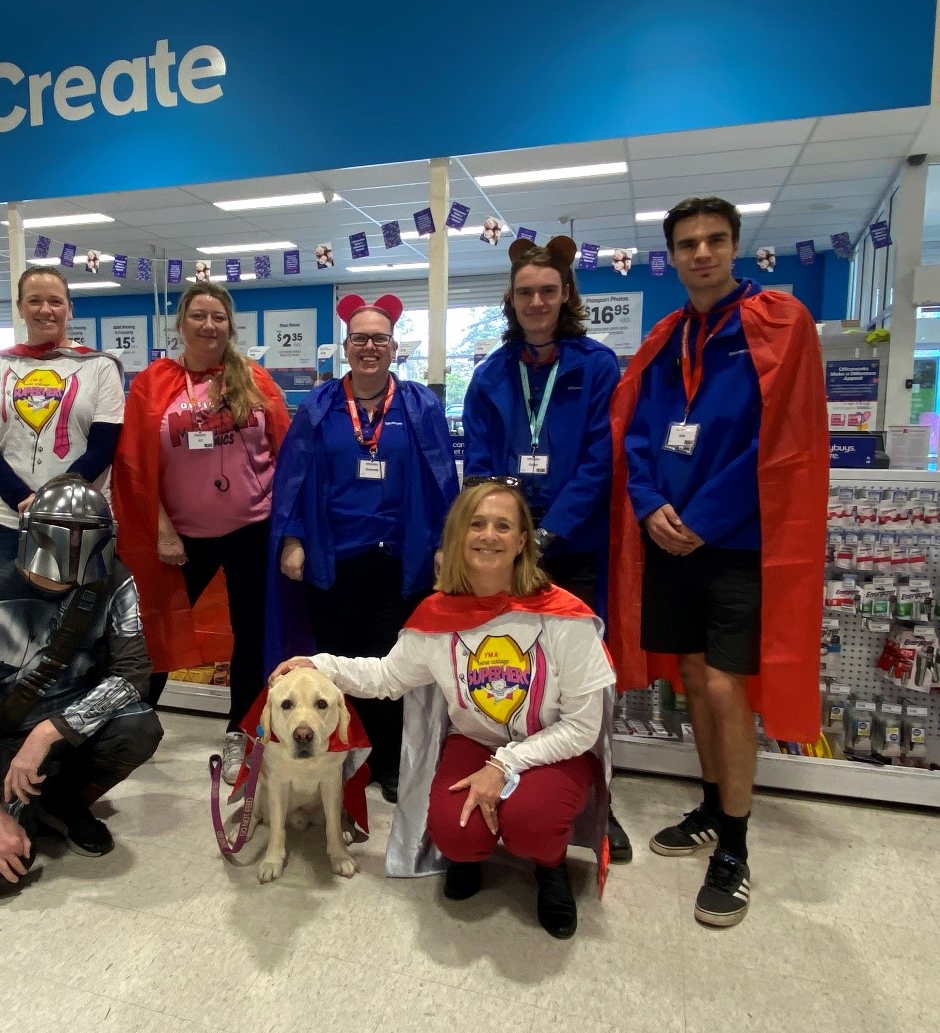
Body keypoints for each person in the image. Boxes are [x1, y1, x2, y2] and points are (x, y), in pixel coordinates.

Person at [608, 196, 828, 928]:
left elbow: (779, 441)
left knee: (730, 686)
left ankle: (733, 847)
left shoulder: (777, 324)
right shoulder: (666, 338)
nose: (700, 253)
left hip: (735, 542)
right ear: (668, 255)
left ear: (734, 246)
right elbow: (637, 434)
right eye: (686, 243)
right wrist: (646, 504)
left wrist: (701, 518)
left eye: (714, 240)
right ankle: (709, 802)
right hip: (666, 536)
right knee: (695, 678)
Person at [272, 480, 616, 939]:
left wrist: (505, 765)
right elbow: (386, 677)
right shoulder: (438, 617)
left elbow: (582, 726)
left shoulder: (562, 616)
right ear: (457, 537)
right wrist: (319, 664)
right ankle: (472, 855)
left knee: (530, 822)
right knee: (455, 834)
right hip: (477, 740)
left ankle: (549, 868)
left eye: (502, 526)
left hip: (551, 747)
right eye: (476, 524)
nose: (488, 535)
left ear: (521, 542)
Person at [461, 235, 631, 862]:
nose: (536, 301)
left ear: (566, 297)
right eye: (525, 292)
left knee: (578, 683)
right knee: (505, 670)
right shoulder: (490, 374)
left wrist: (551, 531)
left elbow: (598, 459)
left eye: (548, 291)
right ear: (511, 299)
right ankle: (495, 784)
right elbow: (479, 462)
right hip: (501, 548)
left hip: (573, 543)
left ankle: (594, 807)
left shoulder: (595, 366)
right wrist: (502, 531)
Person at [0, 476, 164, 899]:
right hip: (1, 739)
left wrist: (46, 733)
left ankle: (62, 803)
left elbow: (133, 673)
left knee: (140, 727)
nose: (73, 551)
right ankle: (16, 806)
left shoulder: (113, 580)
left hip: (68, 728)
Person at [269, 292, 459, 802]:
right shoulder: (320, 405)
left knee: (391, 664)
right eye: (360, 339)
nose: (369, 347)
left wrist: (444, 544)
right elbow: (293, 478)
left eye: (379, 339)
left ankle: (390, 761)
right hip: (334, 556)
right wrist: (293, 539)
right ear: (346, 347)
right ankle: (347, 755)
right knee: (338, 663)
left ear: (394, 346)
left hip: (399, 558)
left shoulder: (420, 405)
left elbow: (442, 482)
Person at [113, 281, 290, 781]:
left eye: (218, 316)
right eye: (198, 316)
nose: (209, 325)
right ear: (180, 324)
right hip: (181, 537)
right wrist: (162, 529)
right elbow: (135, 464)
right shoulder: (154, 383)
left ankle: (242, 730)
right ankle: (133, 726)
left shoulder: (254, 380)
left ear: (230, 325)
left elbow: (286, 451)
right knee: (159, 625)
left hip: (251, 529)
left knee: (251, 635)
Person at [0, 266, 125, 569]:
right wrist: (23, 498)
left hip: (80, 518)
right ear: (20, 308)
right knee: (7, 611)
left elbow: (103, 447)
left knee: (80, 612)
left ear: (70, 309)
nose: (46, 310)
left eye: (56, 301)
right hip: (7, 520)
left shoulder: (100, 366)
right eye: (35, 301)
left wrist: (52, 503)